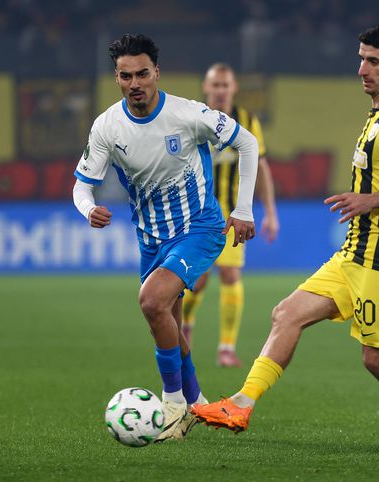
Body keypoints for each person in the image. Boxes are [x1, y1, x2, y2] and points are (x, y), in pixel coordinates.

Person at [193, 23, 379, 462]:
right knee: (287, 313)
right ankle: (240, 405)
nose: (362, 69)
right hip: (353, 254)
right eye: (361, 58)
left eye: (374, 61)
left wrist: (371, 201)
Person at [71, 34, 259, 442]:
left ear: (156, 72)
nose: (134, 83)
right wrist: (88, 209)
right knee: (167, 322)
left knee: (151, 301)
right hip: (151, 239)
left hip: (199, 228)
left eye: (142, 74)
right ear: (117, 78)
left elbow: (247, 142)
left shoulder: (188, 114)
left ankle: (172, 404)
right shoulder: (107, 126)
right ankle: (196, 401)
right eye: (126, 76)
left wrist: (243, 209)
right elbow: (82, 186)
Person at [181, 63, 279, 368]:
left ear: (234, 88)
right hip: (197, 214)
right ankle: (185, 325)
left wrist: (270, 212)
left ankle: (226, 347)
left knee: (230, 274)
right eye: (215, 85)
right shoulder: (193, 120)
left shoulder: (247, 121)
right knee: (197, 281)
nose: (220, 91)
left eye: (225, 85)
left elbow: (261, 166)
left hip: (233, 213)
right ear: (206, 88)